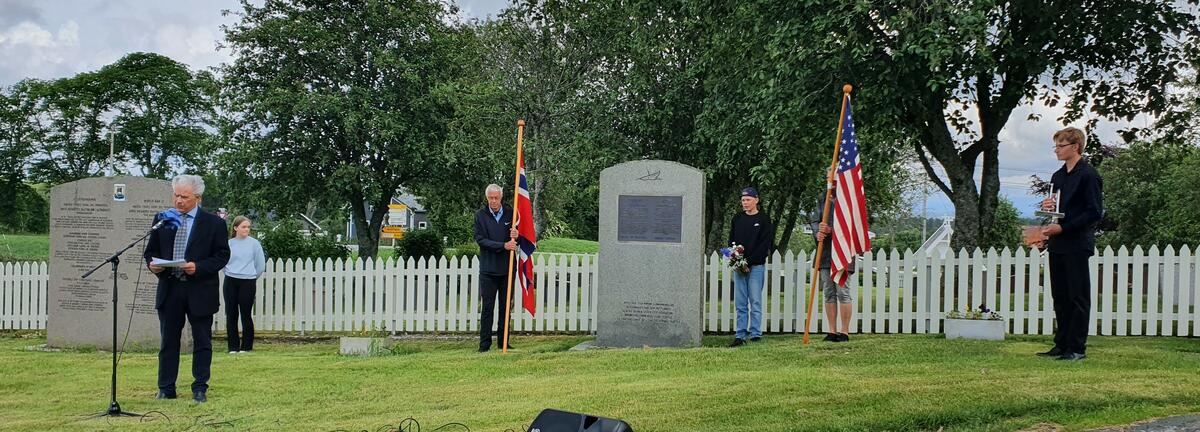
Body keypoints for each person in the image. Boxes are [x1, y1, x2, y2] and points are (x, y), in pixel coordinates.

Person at [144, 174, 230, 402]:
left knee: (202, 341)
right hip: (170, 288)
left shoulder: (215, 223)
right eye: (176, 195)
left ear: (198, 198)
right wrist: (154, 266)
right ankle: (166, 387)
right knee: (168, 340)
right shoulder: (162, 219)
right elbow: (150, 251)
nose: (179, 200)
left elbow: (222, 256)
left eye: (184, 196)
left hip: (199, 289)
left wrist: (199, 267)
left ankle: (199, 387)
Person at [1037, 127, 1103, 361]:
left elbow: (1094, 212)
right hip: (1058, 243)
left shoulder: (1088, 175)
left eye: (1060, 145)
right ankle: (1061, 344)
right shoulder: (1058, 176)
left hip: (1076, 242)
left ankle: (1077, 348)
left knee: (1077, 296)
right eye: (1055, 145)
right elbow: (1058, 209)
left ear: (1075, 147)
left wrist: (1064, 227)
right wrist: (1049, 208)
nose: (1056, 150)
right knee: (1061, 295)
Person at [474, 184, 519, 352]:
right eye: (491, 198)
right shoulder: (480, 216)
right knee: (487, 308)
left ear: (501, 197)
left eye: (496, 198)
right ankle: (484, 345)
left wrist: (517, 236)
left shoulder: (511, 214)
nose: (493, 201)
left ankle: (504, 342)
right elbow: (481, 240)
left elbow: (518, 241)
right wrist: (503, 245)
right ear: (487, 198)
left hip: (507, 269)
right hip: (488, 270)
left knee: (505, 307)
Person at [727, 187, 775, 347]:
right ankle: (740, 335)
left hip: (756, 267)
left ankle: (755, 334)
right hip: (739, 267)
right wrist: (737, 261)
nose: (745, 203)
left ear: (756, 200)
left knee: (755, 300)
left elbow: (764, 244)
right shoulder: (737, 219)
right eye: (743, 200)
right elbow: (731, 242)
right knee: (740, 303)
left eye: (748, 200)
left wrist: (749, 262)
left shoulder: (764, 219)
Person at [813, 194, 855, 342]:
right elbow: (815, 221)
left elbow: (853, 227)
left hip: (843, 254)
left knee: (843, 292)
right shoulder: (821, 200)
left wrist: (833, 231)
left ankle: (844, 332)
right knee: (828, 292)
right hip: (825, 254)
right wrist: (818, 231)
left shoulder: (849, 200)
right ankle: (832, 331)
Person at [223, 215, 266, 354]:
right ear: (235, 228)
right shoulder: (229, 244)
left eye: (248, 227)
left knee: (246, 314)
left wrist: (251, 276)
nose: (246, 229)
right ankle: (233, 347)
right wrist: (231, 272)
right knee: (231, 314)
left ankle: (246, 346)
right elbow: (224, 263)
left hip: (248, 282)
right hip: (230, 280)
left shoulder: (254, 244)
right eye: (243, 227)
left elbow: (260, 265)